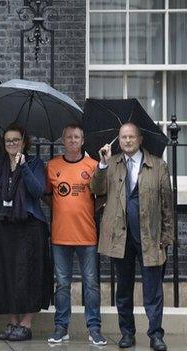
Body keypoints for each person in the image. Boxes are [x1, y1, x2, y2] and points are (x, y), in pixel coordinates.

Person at [90, 123, 173, 351]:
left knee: (153, 291)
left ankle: (156, 335)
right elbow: (95, 188)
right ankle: (127, 333)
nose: (127, 140)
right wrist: (103, 163)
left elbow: (167, 204)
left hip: (150, 236)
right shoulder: (112, 164)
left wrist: (167, 236)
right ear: (118, 139)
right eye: (123, 137)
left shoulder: (158, 165)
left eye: (131, 137)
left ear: (140, 139)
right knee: (124, 290)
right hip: (120, 236)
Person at [0, 123, 52, 342]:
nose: (12, 143)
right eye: (8, 140)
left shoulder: (34, 162)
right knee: (7, 274)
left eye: (16, 140)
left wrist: (24, 167)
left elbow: (38, 191)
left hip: (29, 227)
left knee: (29, 274)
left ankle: (26, 323)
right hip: (3, 226)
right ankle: (13, 322)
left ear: (24, 142)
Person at [45, 124, 106, 345]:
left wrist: (86, 209)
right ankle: (61, 327)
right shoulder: (52, 166)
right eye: (69, 137)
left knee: (91, 283)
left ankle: (94, 328)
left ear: (83, 140)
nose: (72, 140)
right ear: (63, 140)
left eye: (77, 137)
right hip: (60, 235)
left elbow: (102, 194)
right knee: (61, 284)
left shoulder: (93, 165)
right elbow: (46, 196)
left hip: (87, 235)